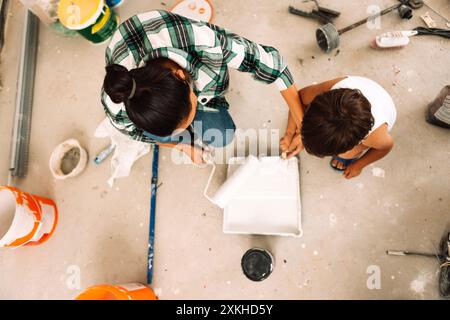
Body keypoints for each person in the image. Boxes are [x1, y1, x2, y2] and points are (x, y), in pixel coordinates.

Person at [102, 10, 305, 164]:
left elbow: (274, 66)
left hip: (170, 38)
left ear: (182, 75)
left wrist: (302, 127)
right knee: (202, 135)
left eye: (189, 117)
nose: (188, 127)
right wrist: (184, 147)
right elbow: (139, 134)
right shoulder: (118, 103)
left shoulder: (202, 42)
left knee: (222, 135)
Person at [297, 76, 396, 179]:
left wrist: (359, 165)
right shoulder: (331, 91)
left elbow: (386, 147)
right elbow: (299, 96)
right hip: (366, 89)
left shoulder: (374, 136)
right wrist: (291, 132)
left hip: (385, 107)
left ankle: (348, 155)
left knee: (347, 154)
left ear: (357, 141)